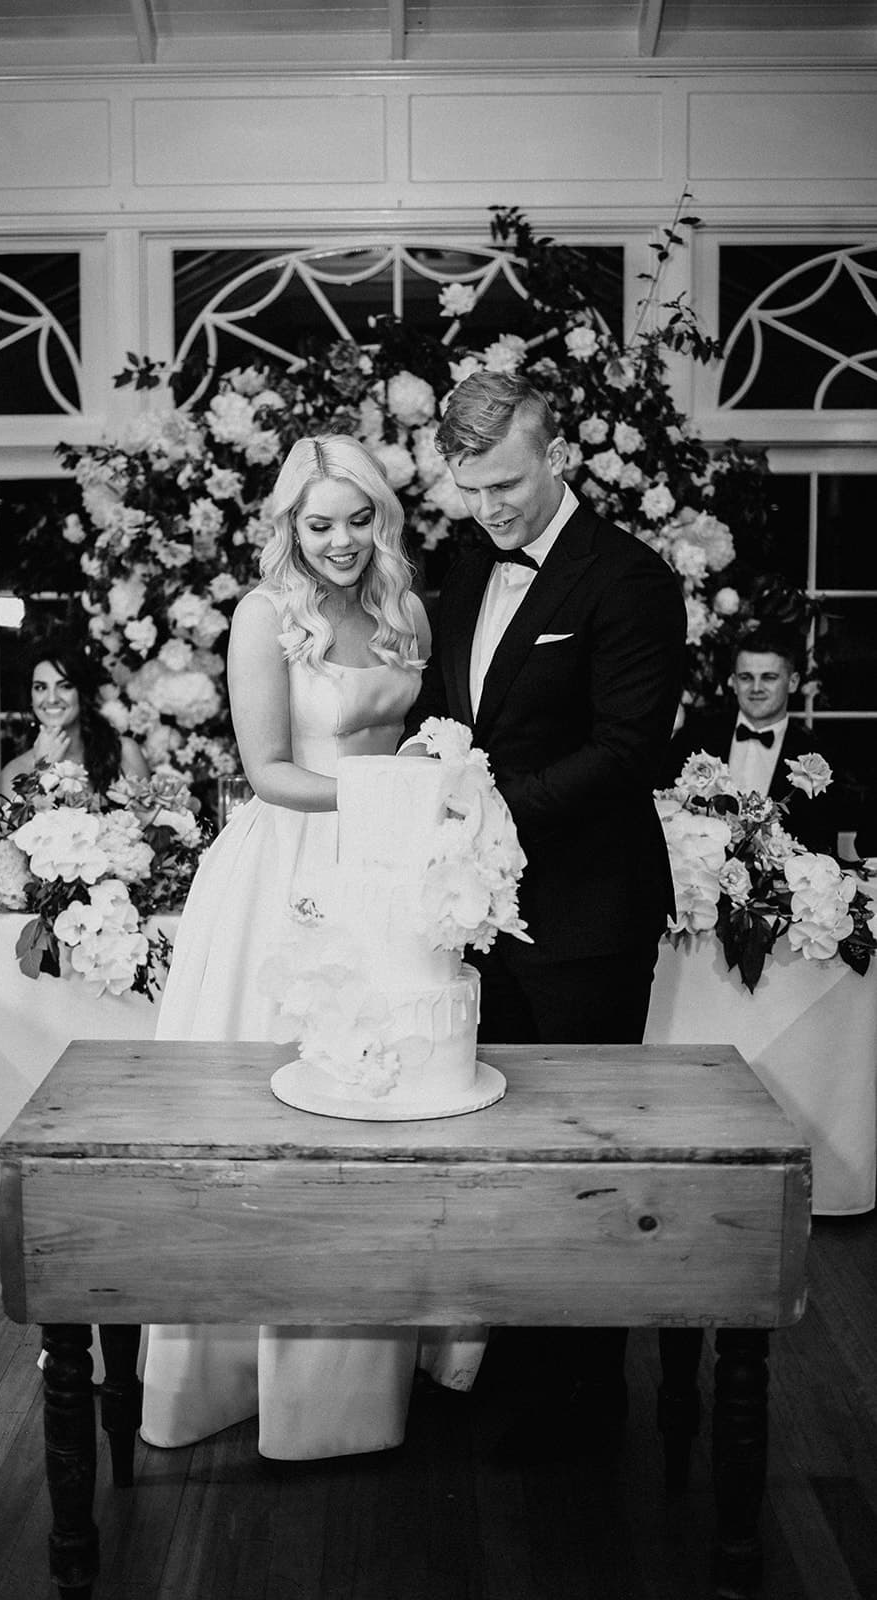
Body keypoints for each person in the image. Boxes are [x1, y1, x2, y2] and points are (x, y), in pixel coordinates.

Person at [400, 370, 687, 1447]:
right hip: (480, 921)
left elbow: (625, 753)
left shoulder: (630, 578)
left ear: (553, 448)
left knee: (582, 1157)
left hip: (585, 917)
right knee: (494, 1142)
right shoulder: (464, 567)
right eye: (471, 489)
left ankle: (587, 1388)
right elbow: (448, 712)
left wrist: (479, 808)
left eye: (507, 483)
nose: (491, 508)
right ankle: (511, 1362)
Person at [143, 433, 431, 1461]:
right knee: (274, 1101)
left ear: (381, 519)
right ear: (286, 525)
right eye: (317, 523)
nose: (341, 540)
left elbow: (422, 736)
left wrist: (424, 801)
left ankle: (376, 1353)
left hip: (389, 875)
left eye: (358, 519)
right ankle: (231, 1366)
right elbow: (265, 767)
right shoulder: (265, 615)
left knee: (387, 1102)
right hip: (288, 870)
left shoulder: (402, 609)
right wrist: (395, 793)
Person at [665, 623, 837, 855]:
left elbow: (820, 843)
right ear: (733, 682)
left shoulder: (814, 754)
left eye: (769, 677)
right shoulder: (695, 738)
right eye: (746, 677)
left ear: (793, 682)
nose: (756, 688)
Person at [0, 632, 148, 799]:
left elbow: (151, 823)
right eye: (40, 687)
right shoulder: (14, 773)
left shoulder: (124, 753)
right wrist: (43, 770)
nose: (52, 698)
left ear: (81, 693)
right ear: (31, 698)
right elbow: (19, 825)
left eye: (65, 686)